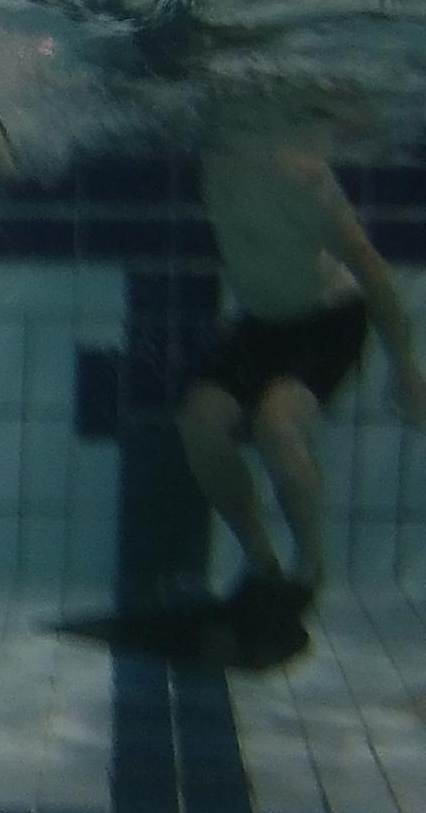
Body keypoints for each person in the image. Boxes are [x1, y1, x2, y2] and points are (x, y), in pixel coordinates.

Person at [176, 112, 426, 647]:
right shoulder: (210, 162)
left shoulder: (302, 175)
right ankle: (261, 564)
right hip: (259, 325)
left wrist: (405, 366)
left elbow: (371, 269)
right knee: (199, 423)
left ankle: (308, 571)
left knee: (278, 425)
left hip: (328, 321)